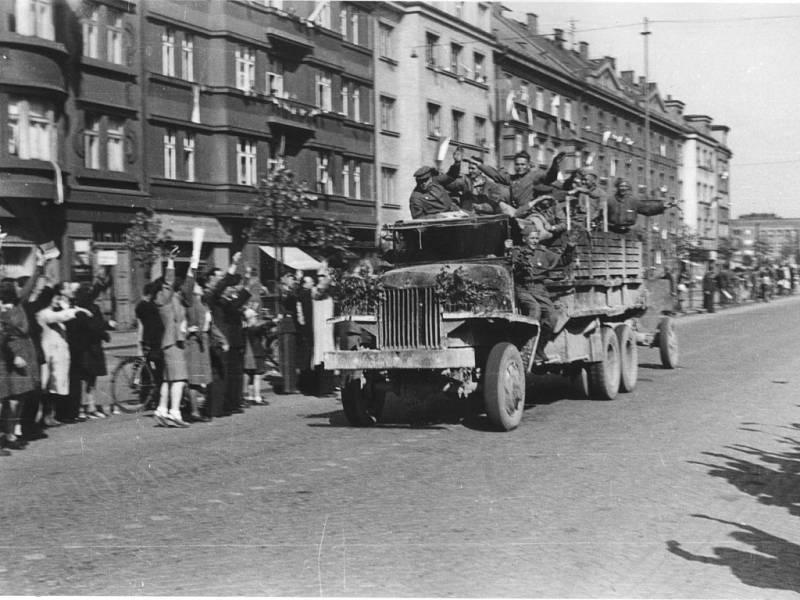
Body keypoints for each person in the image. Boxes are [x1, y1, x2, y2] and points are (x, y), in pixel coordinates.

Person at [510, 225, 574, 362]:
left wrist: (570, 248)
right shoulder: (517, 252)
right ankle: (526, 348)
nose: (534, 241)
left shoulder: (543, 252)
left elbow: (561, 261)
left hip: (539, 289)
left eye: (536, 238)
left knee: (552, 317)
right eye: (531, 238)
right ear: (524, 239)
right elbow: (510, 264)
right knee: (535, 310)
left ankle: (539, 348)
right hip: (522, 288)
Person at [36, 283, 92, 425]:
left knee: (54, 385)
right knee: (48, 385)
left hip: (58, 355)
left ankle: (50, 415)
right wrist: (77, 312)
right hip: (50, 354)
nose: (57, 300)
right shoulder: (43, 313)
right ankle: (46, 416)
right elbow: (59, 316)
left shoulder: (50, 311)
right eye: (54, 298)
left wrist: (81, 310)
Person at [152, 255, 190, 427]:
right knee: (179, 379)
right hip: (173, 342)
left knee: (169, 380)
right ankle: (175, 411)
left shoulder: (170, 299)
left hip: (171, 342)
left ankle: (161, 409)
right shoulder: (164, 298)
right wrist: (171, 262)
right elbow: (169, 281)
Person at [67, 282, 114, 419]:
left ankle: (87, 406)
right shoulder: (90, 308)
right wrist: (105, 332)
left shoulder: (78, 307)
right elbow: (94, 325)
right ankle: (87, 406)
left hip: (83, 347)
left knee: (87, 378)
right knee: (89, 378)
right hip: (90, 346)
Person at [477, 150, 566, 212]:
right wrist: (479, 165)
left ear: (528, 165)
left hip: (529, 212)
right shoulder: (512, 178)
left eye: (523, 164)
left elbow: (549, 178)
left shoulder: (534, 175)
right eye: (517, 164)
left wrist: (555, 165)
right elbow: (495, 174)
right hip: (515, 211)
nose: (520, 167)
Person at [606, 178, 671, 234]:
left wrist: (662, 206)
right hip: (612, 232)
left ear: (628, 188)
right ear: (617, 187)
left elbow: (647, 208)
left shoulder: (633, 201)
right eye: (621, 186)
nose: (623, 188)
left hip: (629, 233)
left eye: (625, 186)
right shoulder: (610, 201)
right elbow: (601, 214)